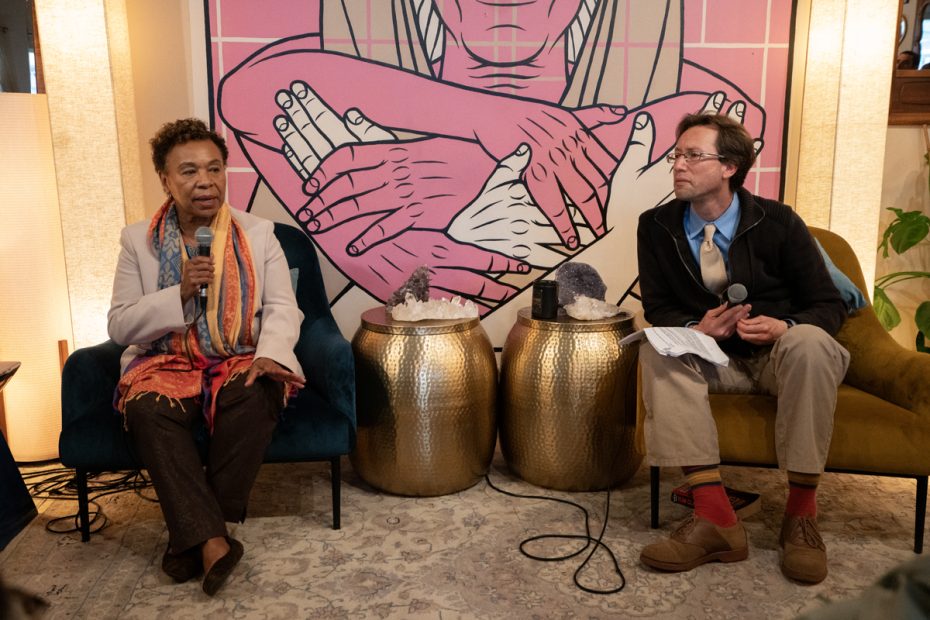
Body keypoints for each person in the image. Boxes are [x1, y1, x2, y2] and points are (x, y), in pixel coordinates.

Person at [636, 113, 850, 585]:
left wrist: (784, 326)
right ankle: (715, 517)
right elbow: (658, 307)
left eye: (694, 155)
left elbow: (828, 304)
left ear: (730, 166)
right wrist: (695, 327)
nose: (679, 165)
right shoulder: (655, 225)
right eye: (677, 155)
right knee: (656, 350)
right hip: (713, 362)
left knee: (811, 342)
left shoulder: (780, 222)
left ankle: (801, 516)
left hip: (779, 359)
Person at [107, 118, 305, 595]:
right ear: (165, 179)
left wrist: (270, 355)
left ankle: (191, 537)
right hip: (166, 361)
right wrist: (178, 292)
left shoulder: (259, 234)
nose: (205, 182)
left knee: (258, 392)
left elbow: (283, 308)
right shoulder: (137, 241)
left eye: (215, 169)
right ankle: (213, 540)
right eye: (190, 171)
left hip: (238, 355)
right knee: (147, 409)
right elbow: (119, 325)